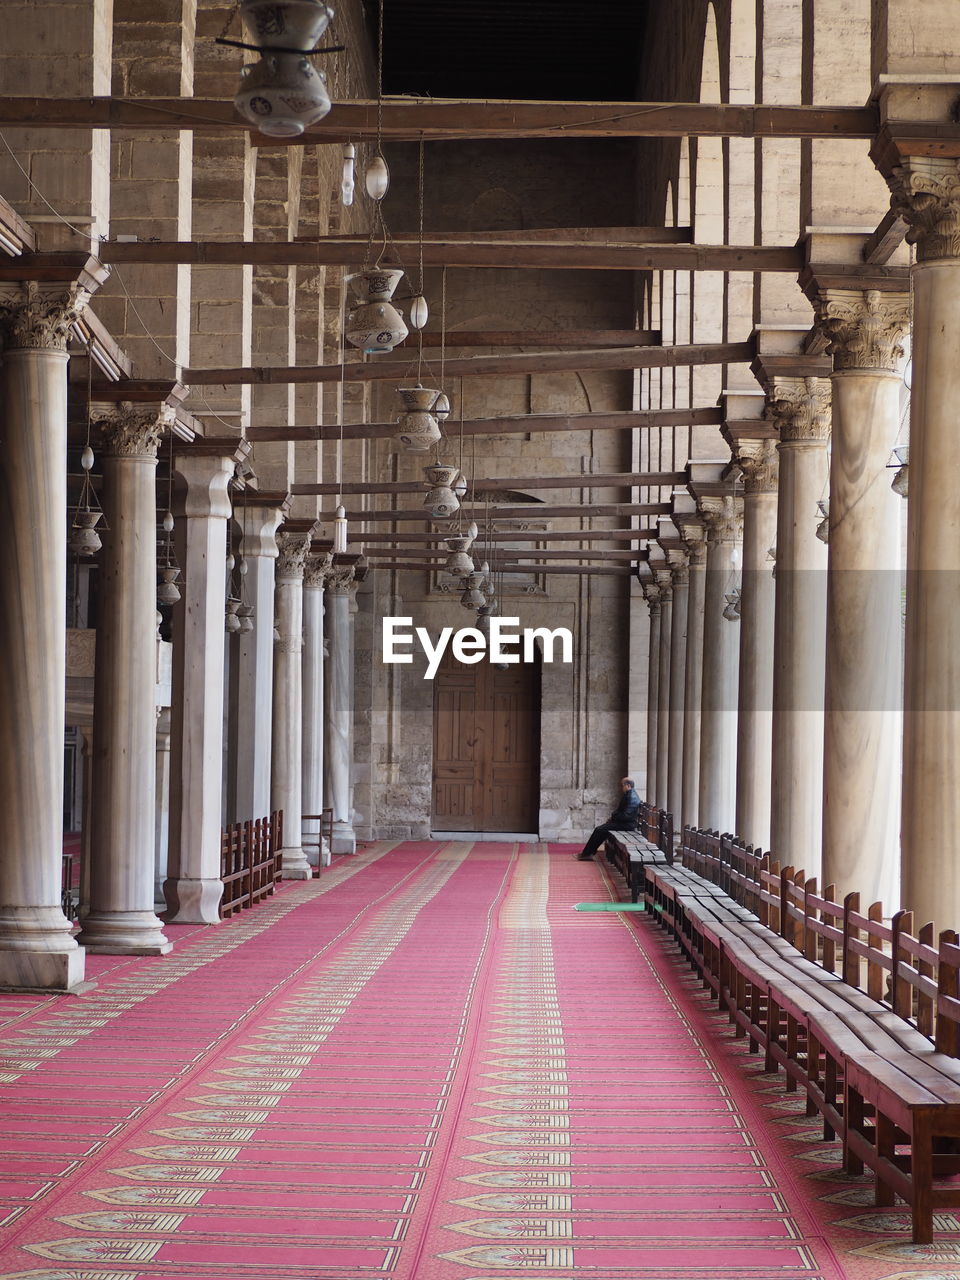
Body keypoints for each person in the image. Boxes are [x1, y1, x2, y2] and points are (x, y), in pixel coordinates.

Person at [575, 778, 641, 861]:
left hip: (627, 825)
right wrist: (613, 818)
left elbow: (625, 816)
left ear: (628, 786)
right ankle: (588, 853)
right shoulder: (629, 794)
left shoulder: (632, 797)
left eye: (622, 785)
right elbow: (620, 811)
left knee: (599, 830)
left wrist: (614, 817)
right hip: (624, 823)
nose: (621, 788)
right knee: (600, 830)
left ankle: (587, 854)